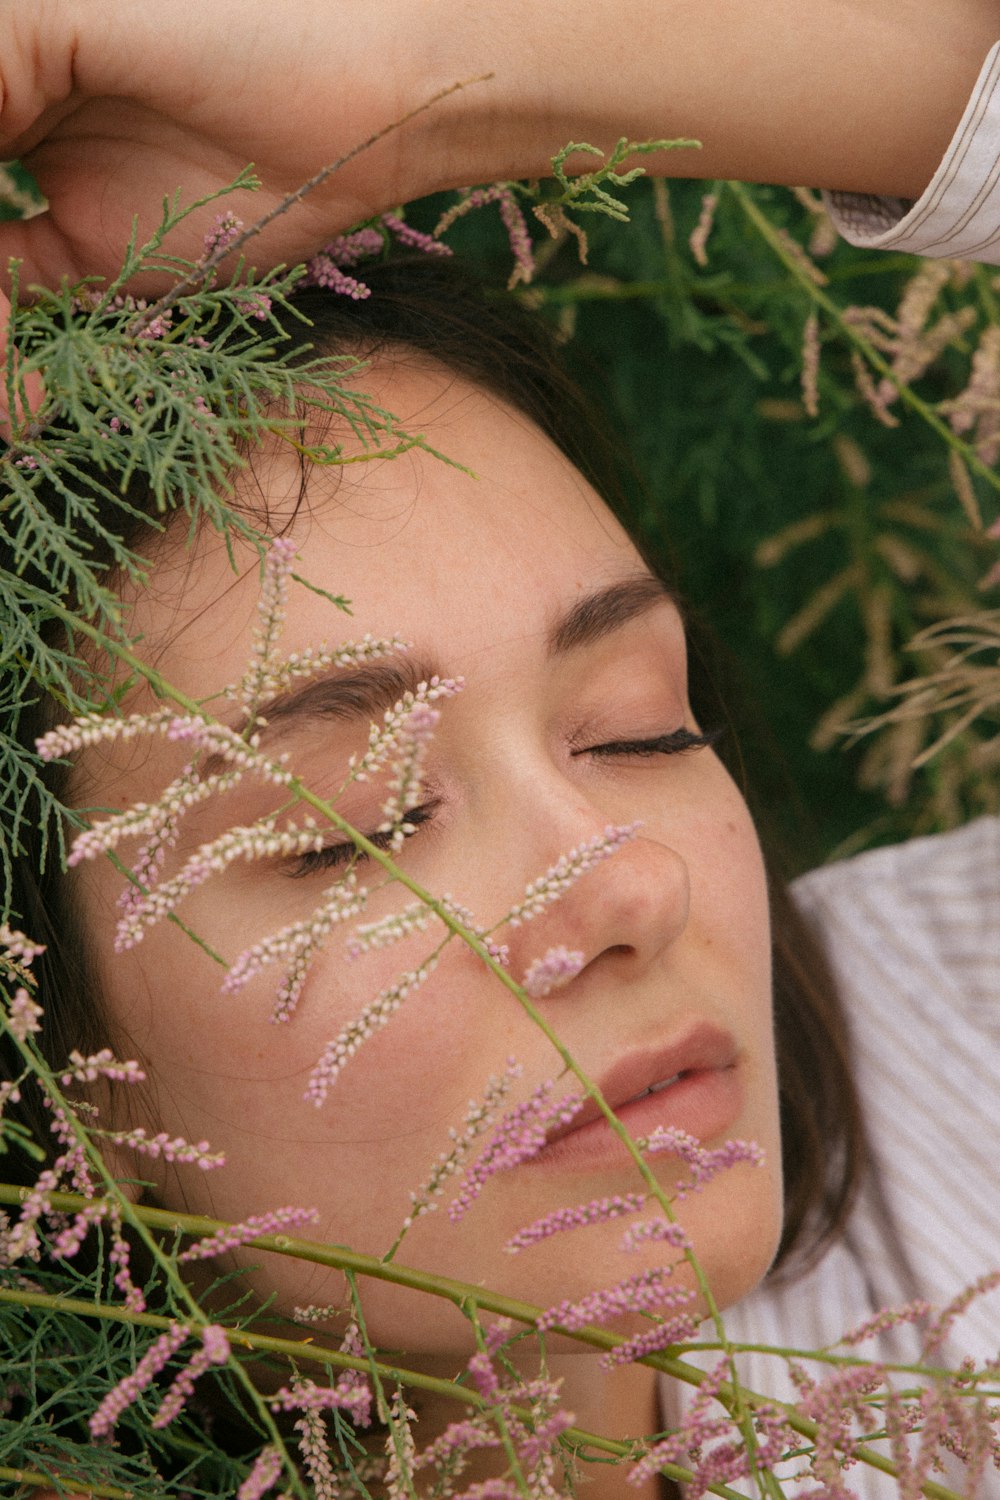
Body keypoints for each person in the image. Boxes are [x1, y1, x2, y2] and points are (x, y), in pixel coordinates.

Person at [2, 4, 999, 1495]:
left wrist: (432, 83)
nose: (626, 893)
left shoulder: (959, 1033)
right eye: (360, 823)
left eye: (637, 727)